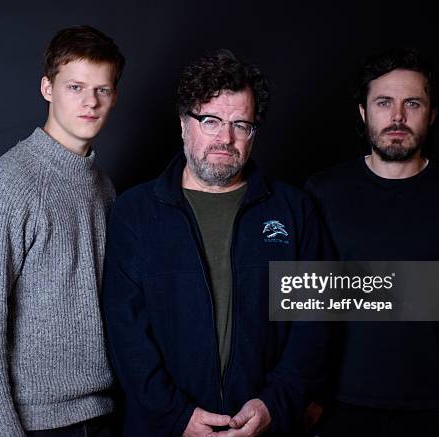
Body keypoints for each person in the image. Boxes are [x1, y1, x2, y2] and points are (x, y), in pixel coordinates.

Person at [102, 49, 329, 437]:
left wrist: (275, 404)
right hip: (163, 428)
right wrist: (175, 415)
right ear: (182, 124)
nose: (226, 138)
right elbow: (125, 331)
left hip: (267, 425)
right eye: (211, 120)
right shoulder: (135, 212)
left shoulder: (294, 209)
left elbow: (316, 321)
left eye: (242, 124)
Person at [305, 48, 439, 437]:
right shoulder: (320, 193)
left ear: (432, 113)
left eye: (412, 103)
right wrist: (307, 397)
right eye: (383, 102)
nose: (397, 117)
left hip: (435, 412)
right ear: (363, 112)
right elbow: (304, 308)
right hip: (337, 409)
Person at [0, 25, 125, 436]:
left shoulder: (103, 186)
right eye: (75, 87)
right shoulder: (8, 186)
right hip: (36, 423)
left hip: (103, 414)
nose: (90, 102)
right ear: (47, 88)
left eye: (102, 90)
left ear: (115, 96)